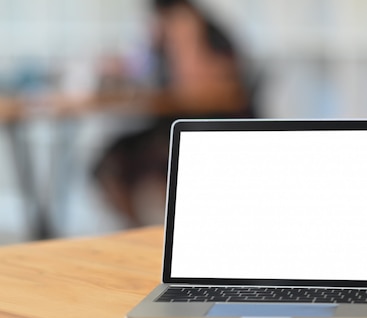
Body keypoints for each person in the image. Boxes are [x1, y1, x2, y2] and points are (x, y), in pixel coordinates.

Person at [94, 0, 255, 227]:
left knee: (162, 164)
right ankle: (139, 234)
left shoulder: (207, 34)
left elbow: (195, 89)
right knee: (108, 165)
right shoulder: (162, 36)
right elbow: (145, 73)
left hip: (210, 128)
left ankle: (174, 233)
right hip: (169, 124)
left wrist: (184, 39)